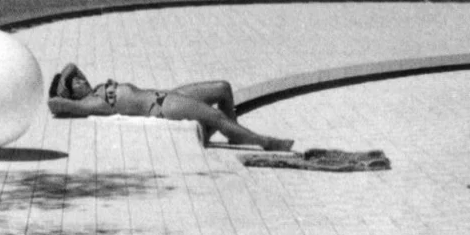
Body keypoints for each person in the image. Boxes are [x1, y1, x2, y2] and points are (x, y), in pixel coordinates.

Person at [48, 63, 294, 152]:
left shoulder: (94, 91)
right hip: (161, 106)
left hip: (166, 94)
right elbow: (55, 104)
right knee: (215, 115)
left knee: (223, 88)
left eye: (79, 78)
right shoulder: (90, 103)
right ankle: (264, 141)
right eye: (75, 83)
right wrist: (64, 93)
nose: (81, 79)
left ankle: (235, 133)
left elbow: (71, 65)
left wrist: (65, 77)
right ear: (72, 94)